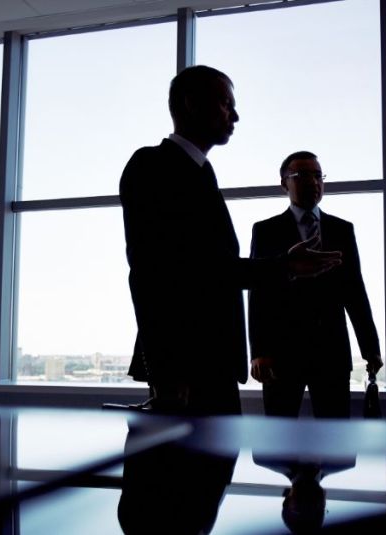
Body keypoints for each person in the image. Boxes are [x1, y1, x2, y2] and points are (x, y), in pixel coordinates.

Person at [120, 66, 341, 416]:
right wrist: (166, 373)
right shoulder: (152, 166)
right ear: (191, 104)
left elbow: (210, 269)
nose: (234, 116)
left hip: (210, 360)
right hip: (185, 368)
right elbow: (151, 275)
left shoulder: (199, 172)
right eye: (226, 104)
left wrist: (286, 266)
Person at [248, 151, 382, 418]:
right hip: (281, 353)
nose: (313, 182)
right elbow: (258, 293)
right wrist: (259, 352)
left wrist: (371, 348)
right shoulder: (265, 230)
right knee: (279, 435)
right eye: (302, 175)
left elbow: (355, 291)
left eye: (318, 175)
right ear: (284, 183)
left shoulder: (342, 229)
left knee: (335, 435)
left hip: (331, 351)